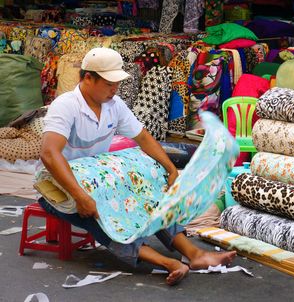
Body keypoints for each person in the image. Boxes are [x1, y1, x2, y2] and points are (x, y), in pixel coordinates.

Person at [38, 47, 235, 285]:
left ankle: (195, 254)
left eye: (117, 83)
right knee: (103, 216)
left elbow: (142, 137)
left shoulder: (114, 104)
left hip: (100, 181)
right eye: (109, 83)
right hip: (60, 189)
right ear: (88, 78)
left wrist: (171, 170)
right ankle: (168, 263)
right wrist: (80, 196)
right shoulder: (66, 106)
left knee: (149, 194)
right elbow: (49, 154)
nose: (115, 88)